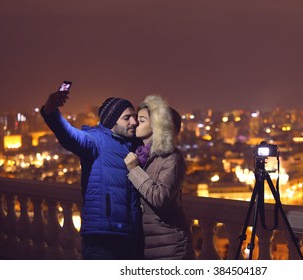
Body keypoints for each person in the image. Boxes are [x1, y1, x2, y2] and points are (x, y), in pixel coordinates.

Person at [41, 89, 143, 260]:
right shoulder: (96, 141)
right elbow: (69, 135)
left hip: (129, 238)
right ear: (111, 121)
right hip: (102, 238)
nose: (133, 122)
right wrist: (51, 111)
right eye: (127, 118)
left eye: (134, 116)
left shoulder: (132, 145)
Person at [124, 95, 195, 260]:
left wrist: (134, 170)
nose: (135, 124)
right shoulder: (142, 155)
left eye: (141, 120)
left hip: (170, 245)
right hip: (149, 244)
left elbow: (160, 198)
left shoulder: (172, 158)